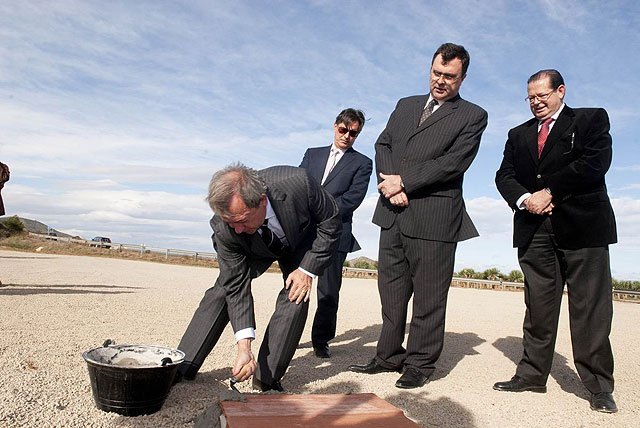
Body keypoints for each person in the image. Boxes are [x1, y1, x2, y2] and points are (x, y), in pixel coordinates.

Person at [348, 43, 487, 388]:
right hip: (392, 212)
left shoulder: (473, 115)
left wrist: (404, 182)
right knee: (391, 292)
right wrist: (390, 184)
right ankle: (387, 356)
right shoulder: (406, 105)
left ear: (463, 78)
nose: (441, 81)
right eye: (436, 73)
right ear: (430, 68)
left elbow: (453, 163)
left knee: (429, 296)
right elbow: (383, 144)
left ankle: (420, 364)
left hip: (435, 217)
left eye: (450, 76)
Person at [494, 69, 618, 413]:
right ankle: (532, 375)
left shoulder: (591, 119)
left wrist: (550, 191)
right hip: (534, 230)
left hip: (583, 228)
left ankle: (598, 386)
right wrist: (525, 199)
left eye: (542, 96)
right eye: (530, 97)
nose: (536, 103)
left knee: (590, 310)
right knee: (538, 306)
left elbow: (595, 163)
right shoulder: (517, 135)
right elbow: (504, 175)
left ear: (560, 91)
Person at [175, 163, 341, 392]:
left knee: (296, 292)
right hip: (254, 247)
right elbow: (237, 286)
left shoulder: (298, 182)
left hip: (301, 240)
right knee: (225, 287)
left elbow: (331, 220)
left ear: (262, 201)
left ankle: (267, 377)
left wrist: (307, 270)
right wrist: (244, 347)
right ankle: (182, 366)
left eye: (241, 220)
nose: (237, 228)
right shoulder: (226, 228)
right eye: (230, 222)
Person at [299, 108, 372, 358]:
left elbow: (353, 199)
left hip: (336, 233)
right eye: (344, 130)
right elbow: (299, 185)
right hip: (304, 232)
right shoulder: (312, 155)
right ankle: (287, 334)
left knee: (328, 292)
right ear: (335, 126)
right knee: (296, 287)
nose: (347, 136)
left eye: (354, 133)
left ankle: (321, 340)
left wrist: (321, 210)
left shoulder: (363, 163)